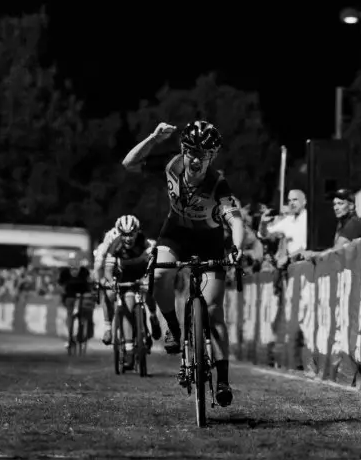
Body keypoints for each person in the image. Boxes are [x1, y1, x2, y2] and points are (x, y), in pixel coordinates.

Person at [122, 120, 243, 408]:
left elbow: (235, 218)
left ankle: (223, 380)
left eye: (204, 154)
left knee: (214, 312)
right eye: (190, 152)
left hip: (209, 239)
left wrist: (236, 247)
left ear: (213, 156)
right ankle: (174, 328)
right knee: (161, 273)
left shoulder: (217, 183)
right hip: (175, 232)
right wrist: (152, 138)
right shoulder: (172, 165)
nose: (196, 160)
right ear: (182, 150)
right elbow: (129, 163)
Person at [93, 214, 162, 370]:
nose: (128, 238)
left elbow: (154, 264)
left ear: (137, 232)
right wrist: (109, 282)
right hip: (123, 274)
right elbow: (108, 271)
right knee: (121, 300)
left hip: (141, 271)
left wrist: (149, 278)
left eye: (131, 234)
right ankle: (126, 344)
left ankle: (152, 316)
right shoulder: (113, 245)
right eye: (124, 234)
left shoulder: (145, 242)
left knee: (150, 289)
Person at [57, 251, 94, 348]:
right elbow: (90, 284)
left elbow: (60, 285)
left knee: (72, 315)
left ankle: (72, 338)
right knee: (78, 314)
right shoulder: (83, 271)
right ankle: (76, 336)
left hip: (76, 297)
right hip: (76, 297)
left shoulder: (66, 272)